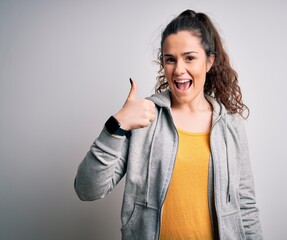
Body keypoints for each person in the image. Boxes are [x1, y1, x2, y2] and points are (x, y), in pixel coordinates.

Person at [75, 9, 263, 240]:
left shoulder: (230, 125)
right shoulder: (145, 119)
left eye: (190, 58)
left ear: (209, 61)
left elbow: (245, 205)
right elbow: (87, 189)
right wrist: (116, 126)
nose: (179, 69)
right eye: (170, 59)